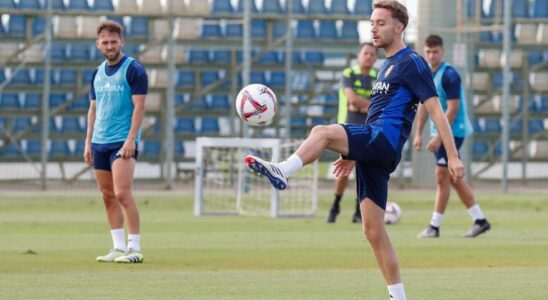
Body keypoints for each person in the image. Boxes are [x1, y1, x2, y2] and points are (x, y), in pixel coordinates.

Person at [243, 1, 465, 299]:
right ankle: (399, 297)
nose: (373, 27)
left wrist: (453, 155)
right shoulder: (386, 66)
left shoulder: (412, 61)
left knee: (322, 131)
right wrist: (352, 154)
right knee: (373, 230)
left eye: (381, 23)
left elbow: (436, 110)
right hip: (376, 148)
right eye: (372, 22)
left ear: (399, 27)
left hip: (382, 140)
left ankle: (283, 170)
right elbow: (376, 113)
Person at [414, 34, 491, 238]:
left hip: (453, 132)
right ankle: (480, 220)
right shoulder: (425, 74)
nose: (431, 55)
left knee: (442, 176)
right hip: (438, 132)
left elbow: (453, 108)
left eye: (435, 51)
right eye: (428, 52)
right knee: (453, 178)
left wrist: (439, 136)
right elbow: (423, 106)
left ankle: (434, 226)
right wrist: (419, 133)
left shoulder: (450, 75)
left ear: (442, 51)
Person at [84, 20, 148, 263]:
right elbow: (93, 109)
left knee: (122, 193)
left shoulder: (134, 69)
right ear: (98, 44)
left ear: (122, 42)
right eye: (105, 42)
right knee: (107, 195)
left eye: (114, 41)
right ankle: (118, 247)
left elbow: (140, 106)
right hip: (99, 141)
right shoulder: (97, 73)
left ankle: (135, 248)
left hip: (122, 140)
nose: (109, 45)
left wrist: (132, 139)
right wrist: (88, 142)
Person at [327, 43, 378, 224]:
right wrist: (363, 105)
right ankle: (336, 204)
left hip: (369, 129)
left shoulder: (377, 77)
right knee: (344, 171)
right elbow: (352, 100)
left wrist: (360, 105)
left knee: (364, 171)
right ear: (359, 55)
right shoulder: (349, 73)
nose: (369, 57)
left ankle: (358, 210)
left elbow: (375, 105)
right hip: (347, 128)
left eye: (373, 54)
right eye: (366, 53)